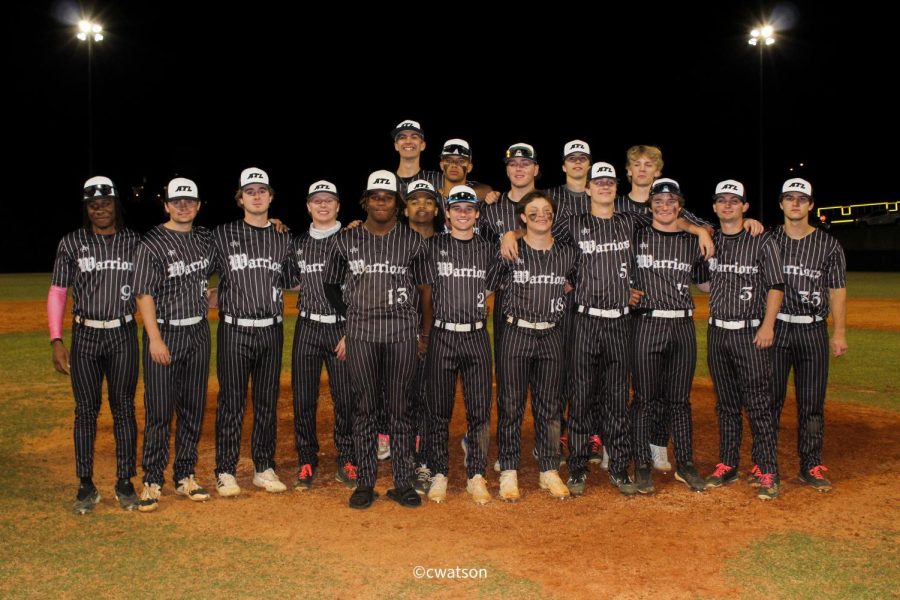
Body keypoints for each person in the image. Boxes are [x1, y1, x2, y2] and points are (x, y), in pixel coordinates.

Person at [323, 170, 433, 509]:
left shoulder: (413, 241)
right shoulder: (345, 240)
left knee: (401, 409)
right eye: (375, 196)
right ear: (366, 201)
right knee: (365, 408)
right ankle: (366, 482)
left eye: (387, 197)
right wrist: (353, 312)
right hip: (362, 334)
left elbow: (426, 292)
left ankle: (402, 481)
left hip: (402, 333)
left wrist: (423, 335)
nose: (381, 201)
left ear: (397, 204)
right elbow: (329, 285)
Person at [49, 175, 141, 514]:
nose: (99, 208)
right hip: (85, 335)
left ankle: (125, 482)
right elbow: (59, 292)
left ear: (116, 204)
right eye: (93, 204)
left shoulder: (134, 242)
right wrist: (57, 339)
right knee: (85, 412)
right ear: (86, 208)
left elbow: (155, 284)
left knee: (124, 410)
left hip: (123, 333)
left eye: (105, 203)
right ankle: (86, 485)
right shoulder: (72, 243)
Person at [486, 190, 578, 501]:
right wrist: (507, 236)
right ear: (523, 217)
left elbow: (576, 283)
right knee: (511, 405)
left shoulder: (568, 253)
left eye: (546, 210)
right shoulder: (510, 250)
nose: (541, 215)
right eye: (533, 211)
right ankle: (509, 469)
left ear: (553, 216)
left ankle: (549, 469)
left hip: (551, 333)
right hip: (515, 332)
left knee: (550, 407)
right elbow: (487, 285)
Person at [698, 180, 783, 501]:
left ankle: (767, 468)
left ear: (745, 207)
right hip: (718, 332)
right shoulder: (711, 239)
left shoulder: (761, 240)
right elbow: (704, 284)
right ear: (715, 206)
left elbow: (776, 285)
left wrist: (768, 325)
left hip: (751, 332)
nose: (728, 205)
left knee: (759, 404)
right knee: (727, 405)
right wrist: (701, 234)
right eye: (722, 200)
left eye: (735, 200)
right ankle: (728, 463)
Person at [132, 177, 213, 511]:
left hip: (198, 332)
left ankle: (185, 475)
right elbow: (143, 293)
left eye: (189, 200)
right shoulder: (151, 242)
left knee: (193, 409)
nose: (183, 205)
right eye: (177, 201)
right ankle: (152, 479)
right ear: (166, 205)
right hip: (165, 333)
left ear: (197, 205)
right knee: (160, 412)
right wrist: (154, 339)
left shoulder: (205, 239)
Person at [211, 167, 293, 497]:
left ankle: (263, 467)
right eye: (250, 191)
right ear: (240, 198)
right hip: (234, 329)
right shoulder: (221, 234)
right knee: (231, 402)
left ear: (271, 196)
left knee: (266, 402)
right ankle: (226, 470)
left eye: (262, 190)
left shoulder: (283, 236)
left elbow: (293, 279)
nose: (256, 195)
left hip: (270, 330)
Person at [629, 178, 709, 494]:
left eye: (671, 201)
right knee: (645, 400)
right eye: (658, 201)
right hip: (647, 323)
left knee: (679, 400)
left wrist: (703, 231)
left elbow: (704, 284)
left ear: (680, 206)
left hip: (682, 326)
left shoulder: (692, 242)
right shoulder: (636, 235)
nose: (665, 207)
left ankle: (686, 464)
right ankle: (642, 465)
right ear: (650, 206)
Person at [769, 177, 847, 492]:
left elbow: (837, 290)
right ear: (781, 204)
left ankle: (810, 465)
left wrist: (839, 332)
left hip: (813, 329)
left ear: (811, 205)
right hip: (776, 329)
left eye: (802, 198)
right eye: (790, 197)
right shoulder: (769, 239)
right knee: (769, 401)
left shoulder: (829, 244)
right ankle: (765, 464)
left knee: (811, 403)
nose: (796, 203)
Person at [419, 185, 494, 504]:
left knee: (479, 410)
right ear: (446, 213)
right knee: (438, 411)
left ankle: (476, 474)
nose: (463, 213)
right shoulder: (432, 247)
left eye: (469, 208)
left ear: (477, 213)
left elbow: (492, 290)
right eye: (456, 208)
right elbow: (423, 292)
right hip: (443, 335)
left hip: (476, 335)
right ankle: (439, 473)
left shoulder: (490, 249)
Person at [289, 180, 357, 491]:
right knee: (304, 398)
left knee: (345, 398)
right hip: (308, 326)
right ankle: (306, 457)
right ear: (308, 206)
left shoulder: (353, 239)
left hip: (341, 327)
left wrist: (351, 329)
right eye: (317, 200)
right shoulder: (298, 243)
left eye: (329, 200)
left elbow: (362, 290)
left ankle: (347, 456)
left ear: (339, 205)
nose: (323, 205)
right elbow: (288, 281)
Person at [392, 119, 442, 194]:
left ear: (422, 145)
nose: (408, 141)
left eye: (414, 137)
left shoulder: (438, 179)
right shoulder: (386, 180)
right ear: (396, 146)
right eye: (402, 137)